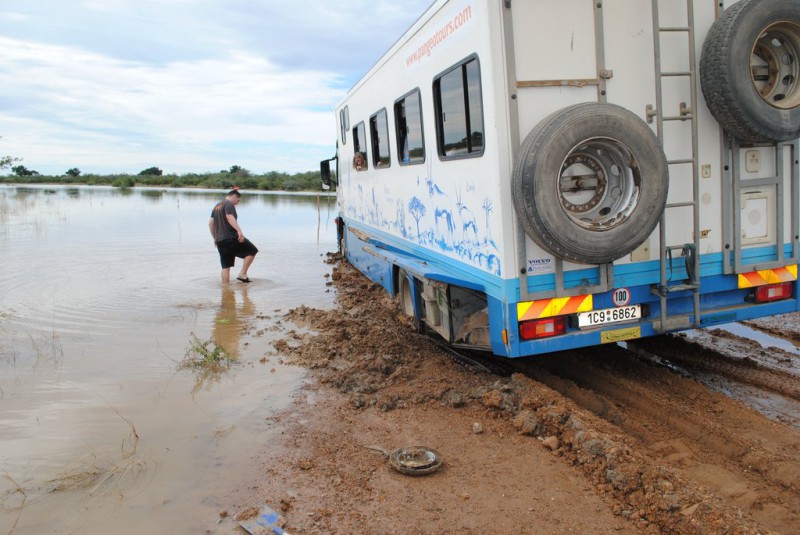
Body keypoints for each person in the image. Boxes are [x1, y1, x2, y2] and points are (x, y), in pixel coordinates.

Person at [209, 189, 258, 283]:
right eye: (238, 200)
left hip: (220, 241)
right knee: (252, 250)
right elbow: (229, 217)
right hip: (231, 238)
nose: (237, 203)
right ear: (234, 196)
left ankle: (225, 290)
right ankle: (242, 274)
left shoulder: (217, 206)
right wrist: (239, 231)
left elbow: (210, 223)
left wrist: (215, 238)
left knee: (225, 266)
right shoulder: (229, 204)